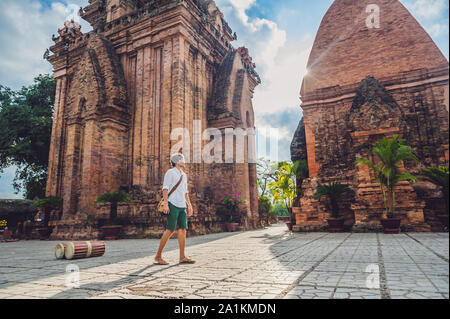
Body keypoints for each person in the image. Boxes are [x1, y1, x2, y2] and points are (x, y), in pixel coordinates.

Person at [154, 154, 196, 265]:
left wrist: (189, 205)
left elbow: (185, 192)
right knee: (170, 230)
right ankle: (158, 256)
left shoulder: (184, 175)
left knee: (183, 230)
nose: (184, 161)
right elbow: (165, 188)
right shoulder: (170, 172)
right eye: (182, 159)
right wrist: (166, 204)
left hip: (182, 205)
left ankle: (182, 257)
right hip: (172, 204)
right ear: (176, 161)